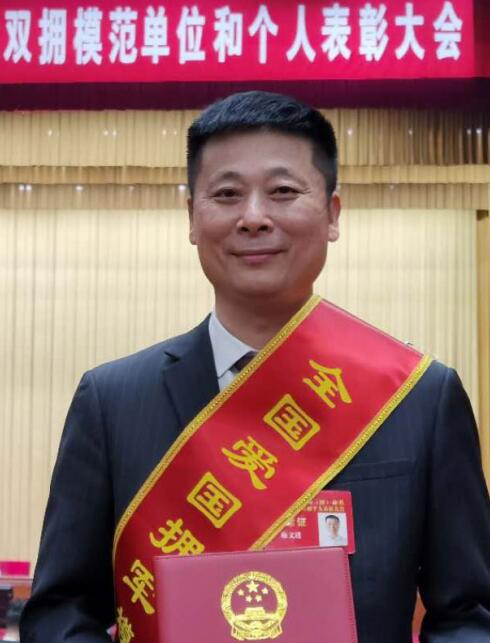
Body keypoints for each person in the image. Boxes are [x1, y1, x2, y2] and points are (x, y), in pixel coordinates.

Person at [20, 91, 490, 643]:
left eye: (283, 192)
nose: (253, 218)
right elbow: (61, 611)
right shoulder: (112, 401)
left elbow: (469, 616)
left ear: (332, 214)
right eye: (226, 194)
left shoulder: (418, 396)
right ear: (191, 218)